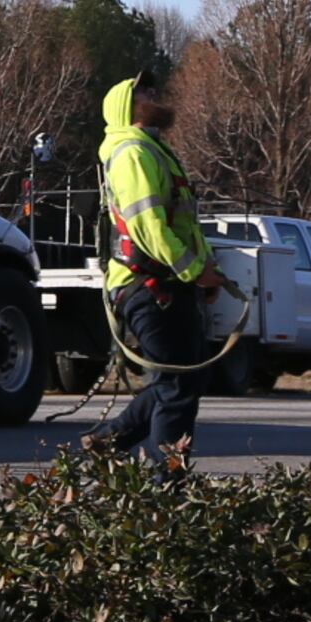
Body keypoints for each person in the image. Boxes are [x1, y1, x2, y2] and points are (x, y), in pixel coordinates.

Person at [86, 66, 219, 466]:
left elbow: (183, 224)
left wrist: (206, 269)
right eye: (143, 92)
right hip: (150, 287)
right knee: (176, 388)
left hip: (166, 284)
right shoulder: (133, 154)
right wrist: (194, 271)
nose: (153, 95)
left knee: (183, 380)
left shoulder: (152, 151)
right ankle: (168, 486)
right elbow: (149, 227)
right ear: (127, 109)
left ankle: (108, 442)